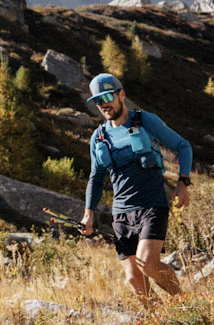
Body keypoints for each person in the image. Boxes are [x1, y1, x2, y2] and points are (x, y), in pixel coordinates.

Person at [78, 72, 193, 301]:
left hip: (152, 204)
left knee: (147, 263)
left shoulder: (145, 121)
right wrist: (88, 215)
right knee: (133, 278)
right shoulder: (99, 137)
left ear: (121, 95)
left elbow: (183, 146)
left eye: (108, 96)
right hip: (121, 212)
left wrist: (182, 183)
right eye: (98, 101)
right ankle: (161, 324)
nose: (104, 104)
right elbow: (96, 178)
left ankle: (187, 305)